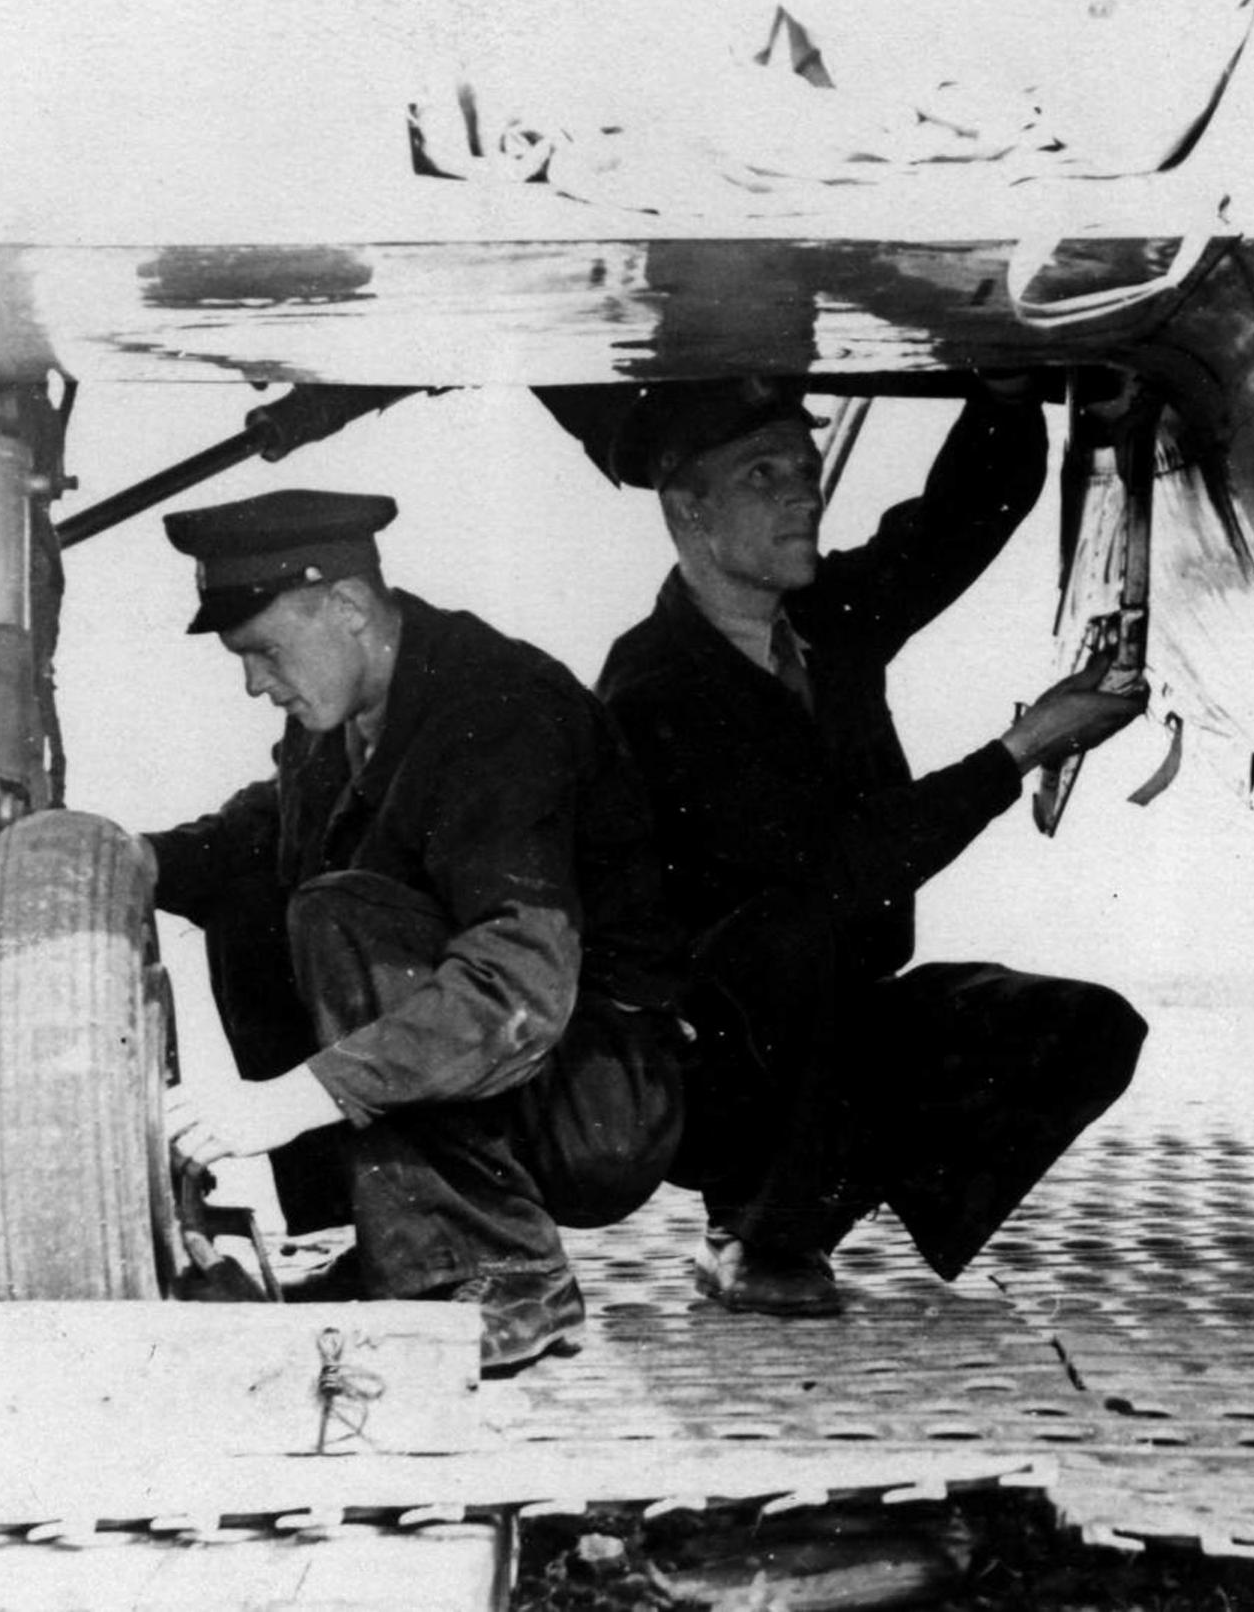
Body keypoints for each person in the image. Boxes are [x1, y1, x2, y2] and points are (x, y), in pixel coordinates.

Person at [590, 374, 1148, 1317]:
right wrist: (1020, 751)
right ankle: (757, 1225)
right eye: (763, 475)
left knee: (1083, 1028)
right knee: (791, 935)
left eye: (805, 469)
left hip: (833, 1017)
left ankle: (810, 1207)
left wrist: (1005, 391)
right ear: (689, 510)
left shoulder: (820, 620)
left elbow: (961, 519)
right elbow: (834, 870)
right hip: (711, 1063)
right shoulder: (654, 687)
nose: (803, 494)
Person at [141, 488, 687, 1372]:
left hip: (598, 1093)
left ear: (349, 607)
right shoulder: (351, 703)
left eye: (265, 650)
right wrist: (136, 859)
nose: (253, 682)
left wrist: (294, 1098)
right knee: (257, 906)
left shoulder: (497, 713)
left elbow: (515, 992)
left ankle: (503, 1273)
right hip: (526, 1075)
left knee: (337, 911)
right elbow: (269, 830)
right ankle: (397, 1247)